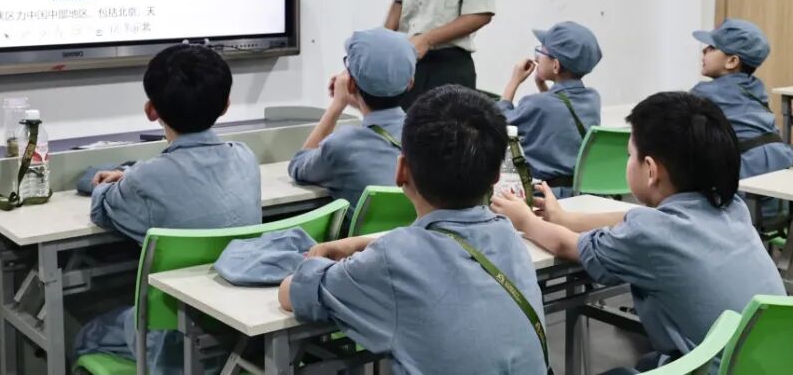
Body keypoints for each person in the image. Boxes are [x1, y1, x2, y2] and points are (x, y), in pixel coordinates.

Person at [493, 91, 785, 374]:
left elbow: (565, 245)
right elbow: (637, 219)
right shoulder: (731, 207)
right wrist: (564, 217)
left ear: (650, 170)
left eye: (629, 154)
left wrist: (524, 220)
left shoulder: (652, 235)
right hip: (770, 363)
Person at [280, 85, 548, 375]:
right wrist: (369, 244)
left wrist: (318, 261)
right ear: (495, 176)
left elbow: (292, 292)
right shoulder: (508, 235)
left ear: (402, 171)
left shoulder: (392, 260)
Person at [73, 44, 261, 373]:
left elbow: (102, 207)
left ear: (151, 110)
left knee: (86, 334)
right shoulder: (245, 157)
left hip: (172, 343)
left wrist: (112, 181)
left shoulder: (145, 180)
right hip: (241, 333)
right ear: (226, 105)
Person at [288, 28, 416, 223]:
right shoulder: (430, 135)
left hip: (367, 244)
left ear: (351, 85)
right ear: (410, 82)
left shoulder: (342, 146)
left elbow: (298, 165)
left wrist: (337, 105)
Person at [499, 21, 602, 188]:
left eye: (542, 51)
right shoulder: (593, 99)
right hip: (579, 191)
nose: (537, 58)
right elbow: (560, 111)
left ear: (555, 65)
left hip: (545, 195)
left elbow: (498, 123)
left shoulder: (536, 104)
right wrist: (541, 85)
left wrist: (514, 80)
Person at [691, 18, 793, 178]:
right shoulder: (756, 86)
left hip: (747, 164)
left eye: (712, 48)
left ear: (732, 61)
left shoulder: (704, 92)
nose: (704, 50)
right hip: (781, 157)